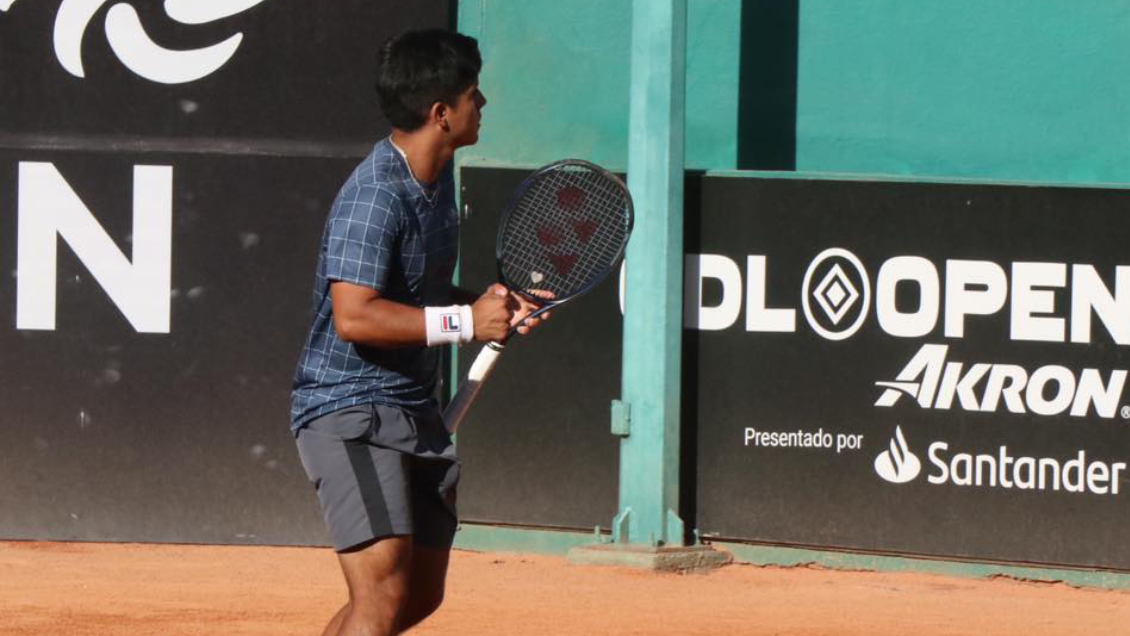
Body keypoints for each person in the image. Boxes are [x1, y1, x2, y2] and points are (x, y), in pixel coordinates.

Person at [290, 29, 544, 636]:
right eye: (473, 96)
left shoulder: (434, 185)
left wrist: (493, 305)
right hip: (348, 412)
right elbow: (355, 316)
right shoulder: (375, 196)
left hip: (412, 412)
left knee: (415, 599)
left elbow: (418, 296)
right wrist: (464, 322)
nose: (482, 106)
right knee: (381, 593)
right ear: (442, 114)